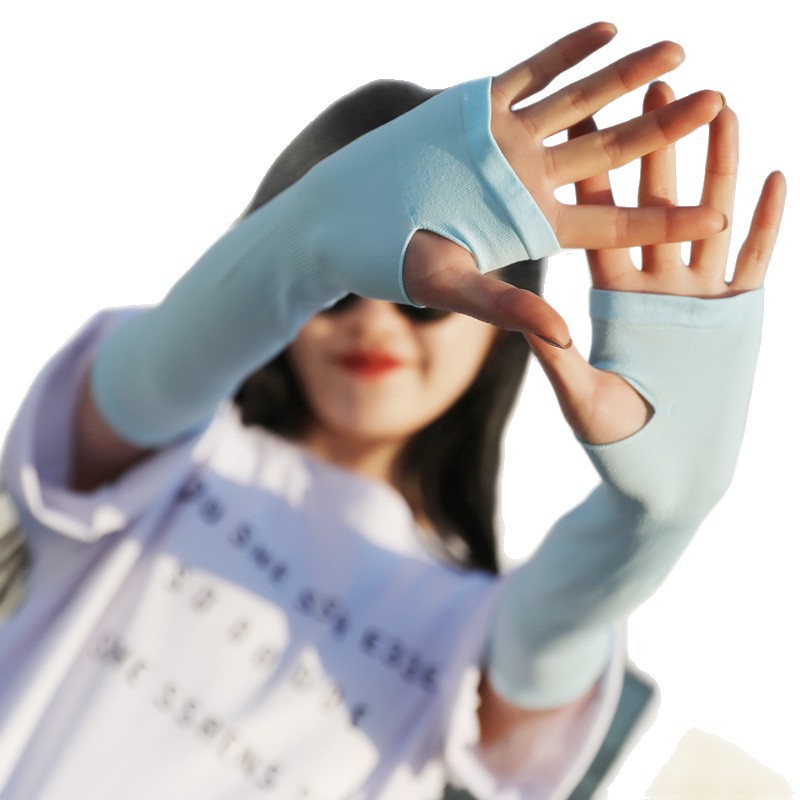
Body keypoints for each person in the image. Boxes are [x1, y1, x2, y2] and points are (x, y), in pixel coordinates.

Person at [0, 21, 785, 800]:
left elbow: (547, 643)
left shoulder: (471, 621)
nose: (375, 319)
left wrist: (654, 521)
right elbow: (154, 379)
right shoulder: (172, 463)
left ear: (501, 326)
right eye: (342, 289)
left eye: (424, 302)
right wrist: (301, 243)